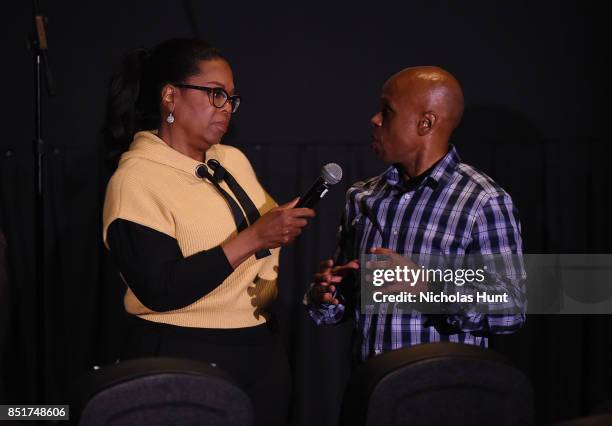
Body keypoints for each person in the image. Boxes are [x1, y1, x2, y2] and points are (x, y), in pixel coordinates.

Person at [102, 38, 315, 426]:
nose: (226, 109)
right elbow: (160, 288)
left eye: (231, 99)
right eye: (216, 94)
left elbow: (258, 235)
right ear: (170, 96)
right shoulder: (136, 178)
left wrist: (278, 225)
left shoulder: (231, 159)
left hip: (260, 347)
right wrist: (255, 238)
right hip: (182, 352)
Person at [304, 66, 525, 363]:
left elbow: (510, 310)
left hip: (444, 393)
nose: (375, 119)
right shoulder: (363, 196)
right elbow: (340, 305)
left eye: (387, 111)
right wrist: (326, 295)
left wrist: (427, 286)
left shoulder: (482, 201)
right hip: (371, 389)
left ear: (425, 123)